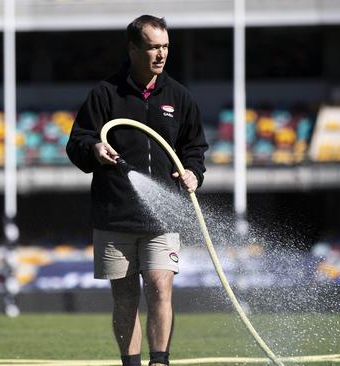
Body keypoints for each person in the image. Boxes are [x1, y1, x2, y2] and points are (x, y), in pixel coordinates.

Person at [66, 15, 208, 366]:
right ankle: (130, 363)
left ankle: (160, 361)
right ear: (132, 49)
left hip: (163, 215)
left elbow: (194, 147)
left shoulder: (179, 96)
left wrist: (193, 172)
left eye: (165, 47)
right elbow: (77, 142)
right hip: (115, 216)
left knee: (160, 288)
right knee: (125, 299)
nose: (161, 54)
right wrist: (95, 150)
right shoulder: (104, 95)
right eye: (153, 47)